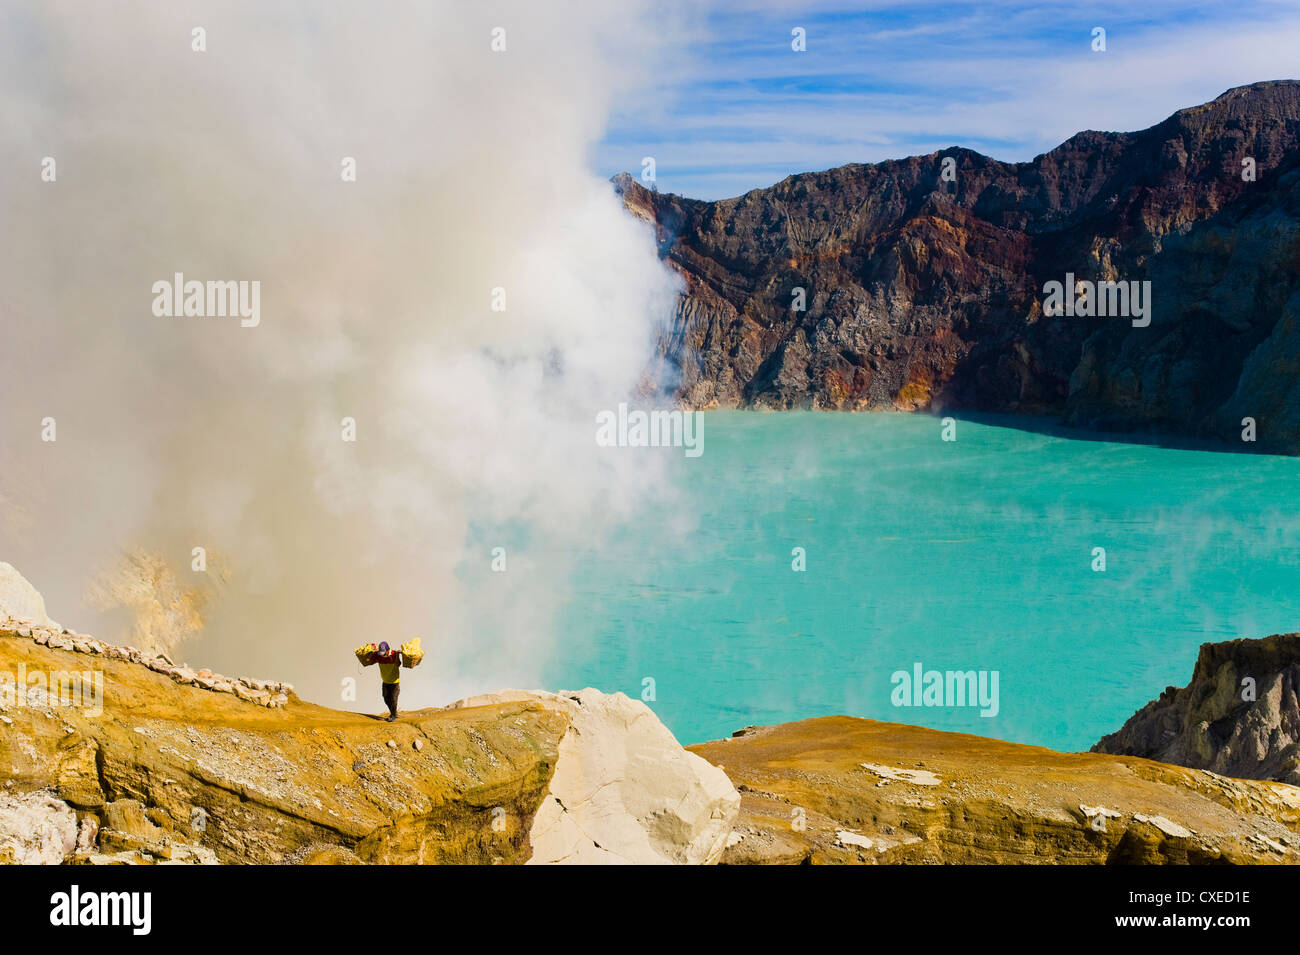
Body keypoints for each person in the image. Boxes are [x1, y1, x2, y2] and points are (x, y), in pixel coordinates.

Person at [374, 641, 402, 721]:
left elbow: (398, 664)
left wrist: (397, 655)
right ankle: (394, 712)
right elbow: (369, 660)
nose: (383, 654)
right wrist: (369, 654)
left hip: (394, 682)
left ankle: (393, 715)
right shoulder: (378, 655)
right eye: (381, 653)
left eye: (384, 652)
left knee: (393, 698)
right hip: (385, 681)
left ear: (388, 649)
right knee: (386, 698)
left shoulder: (393, 654)